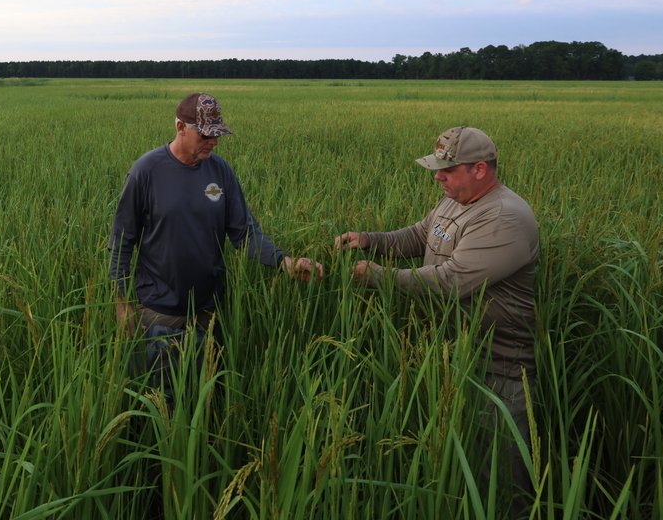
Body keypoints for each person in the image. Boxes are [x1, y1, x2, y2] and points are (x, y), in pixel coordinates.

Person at [334, 125, 538, 509]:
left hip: (497, 367)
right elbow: (419, 236)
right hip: (452, 358)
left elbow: (451, 282)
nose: (438, 177)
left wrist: (378, 276)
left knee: (499, 484)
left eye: (447, 169)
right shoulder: (454, 200)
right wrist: (371, 240)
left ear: (480, 169)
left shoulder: (504, 217)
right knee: (456, 475)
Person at [109, 92, 322, 401]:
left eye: (217, 134)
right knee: (164, 404)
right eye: (205, 134)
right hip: (159, 316)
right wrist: (121, 302)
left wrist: (284, 262)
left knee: (207, 399)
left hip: (208, 314)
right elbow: (121, 241)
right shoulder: (146, 172)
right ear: (181, 127)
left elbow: (245, 233)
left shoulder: (220, 172)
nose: (214, 141)